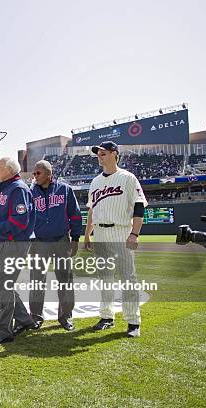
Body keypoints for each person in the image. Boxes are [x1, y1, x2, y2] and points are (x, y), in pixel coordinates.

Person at [83, 141, 147, 338]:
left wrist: (134, 233)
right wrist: (87, 234)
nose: (99, 156)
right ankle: (106, 317)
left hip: (121, 231)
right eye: (98, 153)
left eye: (103, 153)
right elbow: (92, 210)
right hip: (100, 234)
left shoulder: (127, 178)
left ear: (114, 154)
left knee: (128, 278)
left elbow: (139, 207)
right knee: (105, 278)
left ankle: (133, 322)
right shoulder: (95, 182)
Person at [0, 157, 38, 344]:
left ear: (10, 170)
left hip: (13, 244)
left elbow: (19, 222)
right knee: (1, 284)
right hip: (1, 242)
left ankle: (4, 331)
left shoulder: (18, 189)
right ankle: (25, 320)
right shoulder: (6, 188)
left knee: (4, 285)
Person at [29, 160, 83, 331]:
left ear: (49, 173)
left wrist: (75, 238)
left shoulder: (64, 189)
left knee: (65, 280)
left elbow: (75, 215)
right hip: (39, 241)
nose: (35, 176)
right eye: (34, 173)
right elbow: (26, 219)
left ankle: (65, 316)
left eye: (38, 173)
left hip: (61, 240)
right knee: (37, 280)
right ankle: (36, 317)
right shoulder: (30, 192)